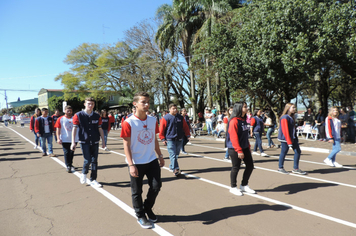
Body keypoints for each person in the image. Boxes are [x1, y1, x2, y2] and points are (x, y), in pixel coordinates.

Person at [120, 91, 165, 229]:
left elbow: (154, 139)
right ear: (135, 104)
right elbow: (126, 145)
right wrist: (131, 164)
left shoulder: (152, 120)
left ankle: (147, 207)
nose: (146, 105)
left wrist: (160, 155)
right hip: (136, 162)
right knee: (136, 191)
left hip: (151, 160)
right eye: (143, 102)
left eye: (148, 102)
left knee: (156, 186)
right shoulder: (128, 122)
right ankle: (140, 215)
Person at [71, 97, 106, 188]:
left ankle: (93, 179)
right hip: (84, 141)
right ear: (85, 104)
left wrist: (103, 141)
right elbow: (74, 128)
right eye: (89, 103)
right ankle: (84, 173)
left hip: (95, 141)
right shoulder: (78, 115)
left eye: (92, 104)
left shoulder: (97, 116)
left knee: (95, 161)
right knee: (87, 160)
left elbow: (100, 128)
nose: (90, 105)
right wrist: (73, 142)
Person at [226, 102, 256, 196]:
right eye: (245, 107)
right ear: (239, 108)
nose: (247, 108)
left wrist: (248, 146)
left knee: (250, 166)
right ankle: (233, 187)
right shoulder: (234, 121)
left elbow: (245, 135)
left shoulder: (243, 120)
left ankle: (244, 184)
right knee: (236, 167)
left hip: (245, 147)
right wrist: (239, 150)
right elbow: (233, 137)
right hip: (234, 148)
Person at [159, 103, 191, 176]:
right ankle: (175, 169)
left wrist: (188, 135)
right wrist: (163, 138)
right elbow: (161, 129)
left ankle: (171, 166)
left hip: (179, 138)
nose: (175, 110)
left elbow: (185, 127)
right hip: (170, 139)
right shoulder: (166, 118)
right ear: (169, 109)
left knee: (176, 154)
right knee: (172, 154)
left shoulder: (180, 117)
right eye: (173, 108)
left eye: (176, 108)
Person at [277, 103, 306, 175]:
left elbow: (293, 129)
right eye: (293, 107)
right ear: (288, 108)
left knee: (298, 151)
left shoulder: (291, 117)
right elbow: (285, 130)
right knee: (284, 152)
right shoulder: (284, 117)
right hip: (285, 139)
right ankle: (280, 167)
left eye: (294, 107)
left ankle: (295, 168)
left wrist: (295, 137)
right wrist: (289, 141)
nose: (294, 109)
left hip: (293, 138)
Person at [55, 105, 79, 173]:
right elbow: (58, 129)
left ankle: (70, 164)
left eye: (70, 111)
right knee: (66, 152)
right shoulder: (60, 119)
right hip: (65, 138)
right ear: (65, 111)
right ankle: (68, 166)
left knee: (72, 152)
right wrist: (58, 138)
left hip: (74, 139)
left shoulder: (75, 118)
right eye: (67, 110)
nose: (69, 112)